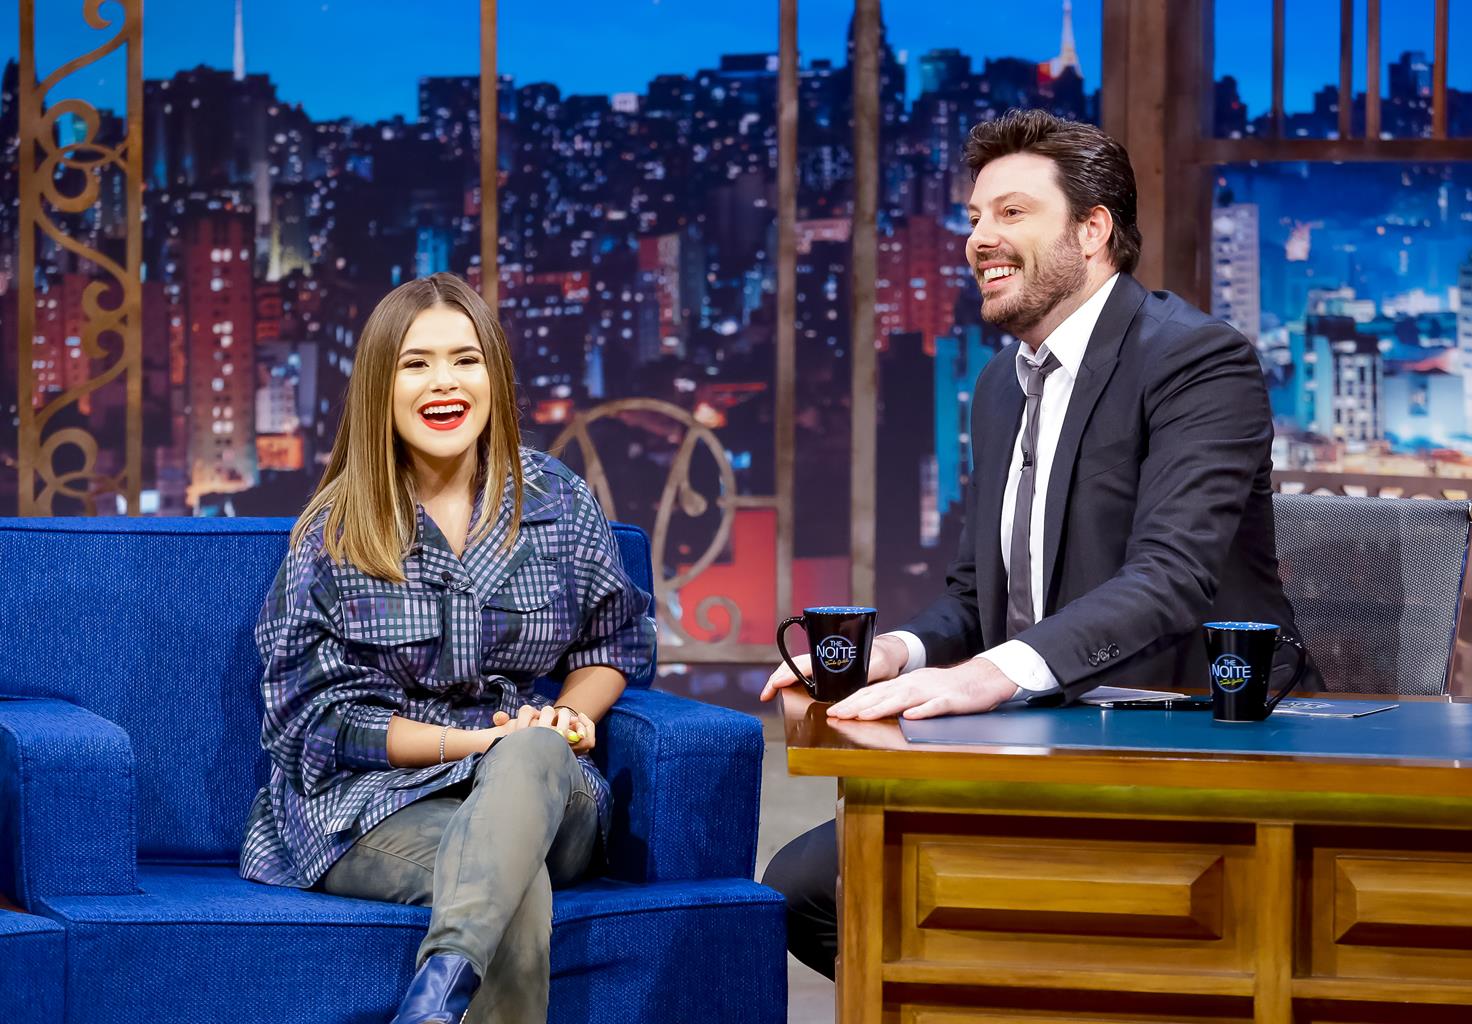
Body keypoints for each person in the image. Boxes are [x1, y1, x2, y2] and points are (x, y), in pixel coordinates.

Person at [760, 109, 1310, 980]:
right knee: (804, 889)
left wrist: (979, 677)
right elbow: (980, 592)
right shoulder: (998, 384)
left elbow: (1170, 579)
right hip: (1039, 737)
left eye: (1011, 213)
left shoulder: (1196, 358)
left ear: (1093, 232)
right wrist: (897, 655)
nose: (979, 238)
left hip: (1185, 739)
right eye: (975, 218)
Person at [238, 272, 655, 1024]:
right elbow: (310, 722)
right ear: (380, 386)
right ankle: (438, 1001)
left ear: (494, 375)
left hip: (542, 794)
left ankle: (431, 1006)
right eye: (415, 363)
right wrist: (465, 744)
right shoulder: (337, 531)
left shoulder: (557, 500)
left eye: (465, 360)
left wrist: (566, 716)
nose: (445, 383)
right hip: (376, 806)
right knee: (509, 883)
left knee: (531, 754)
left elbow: (617, 637)